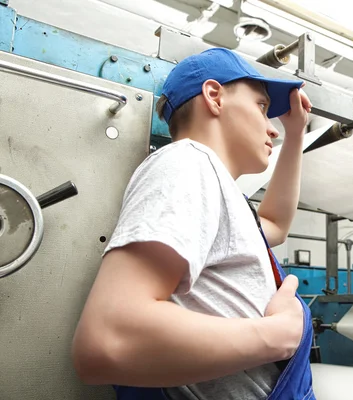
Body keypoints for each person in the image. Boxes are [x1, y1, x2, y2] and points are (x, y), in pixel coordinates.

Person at [71, 47, 316, 400]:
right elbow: (108, 339)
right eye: (262, 108)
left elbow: (275, 224)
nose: (271, 130)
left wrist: (296, 137)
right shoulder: (188, 162)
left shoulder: (220, 189)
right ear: (214, 97)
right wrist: (278, 336)